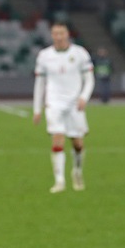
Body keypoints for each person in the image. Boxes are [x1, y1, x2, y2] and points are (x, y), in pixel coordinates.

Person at [33, 22, 95, 193]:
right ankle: (59, 181)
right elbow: (40, 84)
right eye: (55, 33)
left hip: (75, 104)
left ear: (67, 34)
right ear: (52, 35)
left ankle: (77, 170)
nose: (58, 37)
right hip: (54, 103)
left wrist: (84, 97)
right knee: (57, 140)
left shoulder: (80, 53)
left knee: (78, 144)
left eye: (61, 33)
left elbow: (89, 79)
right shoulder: (44, 56)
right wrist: (37, 109)